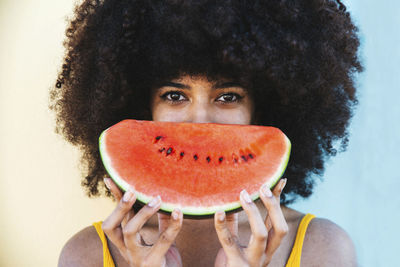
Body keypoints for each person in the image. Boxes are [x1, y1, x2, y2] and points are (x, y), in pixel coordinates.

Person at [51, 0, 362, 266]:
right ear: (142, 108)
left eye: (228, 96)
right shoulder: (86, 254)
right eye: (174, 95)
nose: (198, 121)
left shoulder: (321, 248)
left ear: (263, 110)